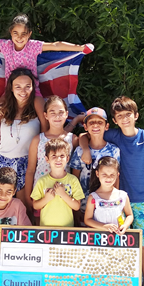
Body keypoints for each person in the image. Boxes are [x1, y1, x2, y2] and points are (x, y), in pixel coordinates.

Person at [0, 14, 93, 166]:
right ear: (11, 33)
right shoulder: (6, 46)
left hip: (32, 90)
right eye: (16, 33)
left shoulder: (33, 46)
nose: (19, 37)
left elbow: (56, 45)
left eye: (23, 34)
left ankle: (44, 146)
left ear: (29, 34)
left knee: (43, 115)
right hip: (11, 91)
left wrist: (80, 48)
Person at [79, 96, 144, 286]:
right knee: (114, 239)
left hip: (140, 199)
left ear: (136, 115)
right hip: (114, 200)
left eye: (128, 114)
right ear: (114, 121)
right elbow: (84, 135)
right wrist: (86, 149)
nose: (125, 119)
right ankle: (117, 281)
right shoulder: (114, 135)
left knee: (143, 243)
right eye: (119, 116)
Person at [0, 68, 40, 216]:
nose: (23, 91)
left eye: (27, 86)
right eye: (18, 86)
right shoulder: (2, 107)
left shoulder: (37, 103)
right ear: (11, 88)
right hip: (4, 162)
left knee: (26, 209)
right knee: (2, 207)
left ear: (33, 87)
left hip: (28, 162)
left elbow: (46, 134)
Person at [25, 96, 83, 224]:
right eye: (52, 112)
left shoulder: (73, 139)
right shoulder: (38, 140)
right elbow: (30, 170)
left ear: (66, 114)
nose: (57, 116)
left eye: (61, 112)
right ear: (45, 115)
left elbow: (76, 168)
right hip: (41, 194)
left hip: (66, 194)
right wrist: (28, 198)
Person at [70, 107, 120, 226]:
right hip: (83, 206)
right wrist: (76, 208)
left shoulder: (114, 150)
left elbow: (116, 178)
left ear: (106, 126)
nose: (95, 125)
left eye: (100, 122)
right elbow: (74, 179)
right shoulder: (79, 151)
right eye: (91, 122)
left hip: (106, 206)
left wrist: (116, 200)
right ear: (85, 127)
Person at [31, 138, 85, 227]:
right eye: (54, 156)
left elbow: (76, 206)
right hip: (46, 229)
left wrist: (63, 194)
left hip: (67, 229)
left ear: (67, 158)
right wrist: (46, 199)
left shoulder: (73, 180)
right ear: (47, 159)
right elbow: (35, 206)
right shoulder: (41, 181)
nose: (58, 159)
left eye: (62, 156)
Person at [84, 156, 133, 233]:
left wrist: (125, 225)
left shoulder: (123, 196)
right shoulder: (93, 197)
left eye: (112, 175)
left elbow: (129, 215)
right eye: (104, 174)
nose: (108, 178)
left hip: (118, 237)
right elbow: (87, 220)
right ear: (97, 174)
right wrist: (104, 226)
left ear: (117, 175)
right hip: (99, 237)